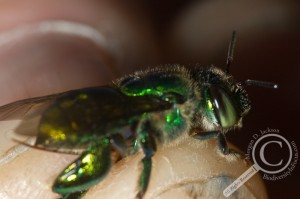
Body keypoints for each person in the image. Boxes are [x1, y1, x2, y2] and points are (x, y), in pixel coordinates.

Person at [1, 0, 288, 198]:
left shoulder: (173, 100)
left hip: (95, 112)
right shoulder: (169, 104)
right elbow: (150, 142)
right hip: (95, 126)